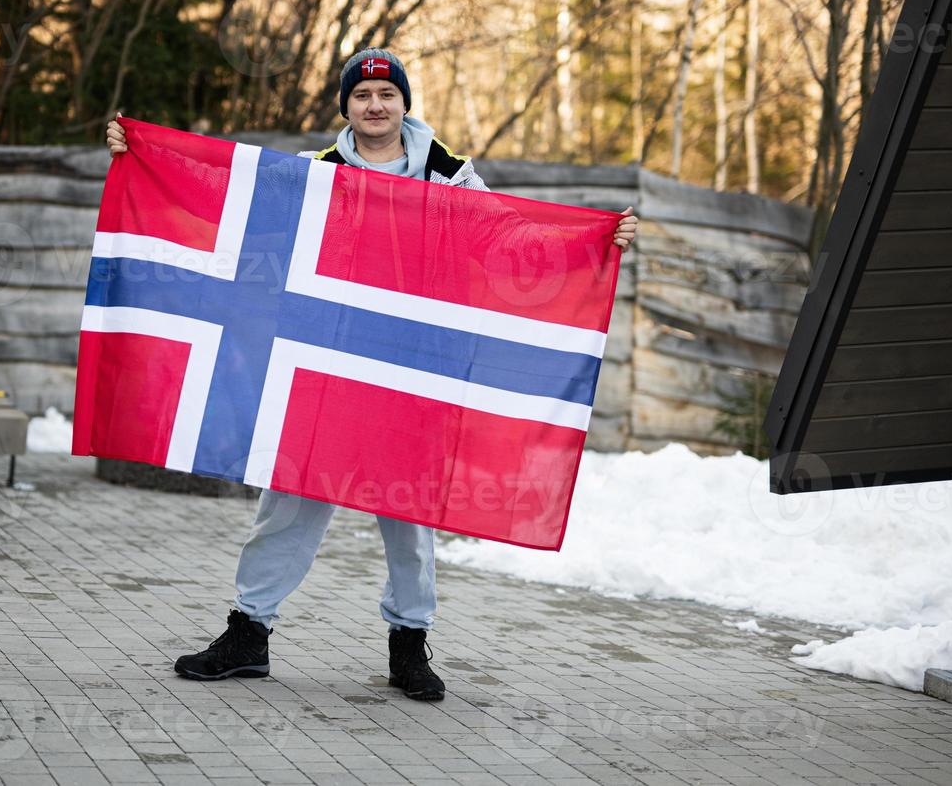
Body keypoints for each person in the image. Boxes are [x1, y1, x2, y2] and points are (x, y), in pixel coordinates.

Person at [104, 47, 639, 702]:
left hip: (415, 371)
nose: (375, 105)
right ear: (347, 106)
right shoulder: (317, 174)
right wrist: (143, 154)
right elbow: (234, 198)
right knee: (290, 500)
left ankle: (408, 646)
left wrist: (592, 239)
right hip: (323, 368)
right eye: (362, 96)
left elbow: (511, 240)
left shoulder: (449, 177)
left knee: (410, 515)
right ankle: (249, 633)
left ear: (404, 103)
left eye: (387, 94)